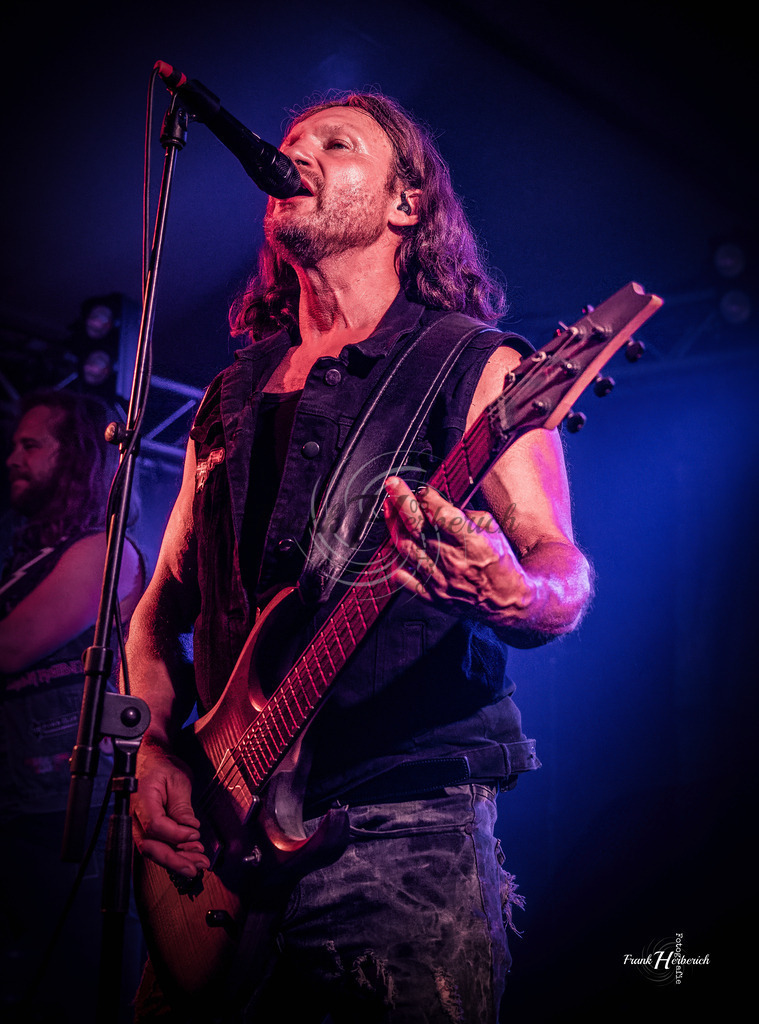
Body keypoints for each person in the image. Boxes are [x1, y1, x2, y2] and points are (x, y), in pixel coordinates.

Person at [126, 91, 593, 1023]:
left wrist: (513, 592)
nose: (294, 157)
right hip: (217, 836)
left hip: (400, 825)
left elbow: (559, 569)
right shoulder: (227, 397)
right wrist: (149, 754)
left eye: (334, 146)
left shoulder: (474, 365)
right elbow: (153, 615)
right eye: (290, 145)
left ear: (405, 205)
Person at [0, 389, 145, 1023]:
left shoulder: (101, 552)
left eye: (32, 445)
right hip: (24, 800)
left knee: (67, 983)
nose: (13, 457)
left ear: (80, 457)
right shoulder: (31, 558)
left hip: (61, 804)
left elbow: (10, 648)